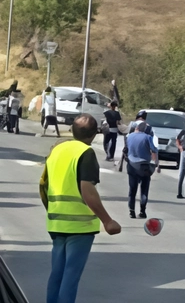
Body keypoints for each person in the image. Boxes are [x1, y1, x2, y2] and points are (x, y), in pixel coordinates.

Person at [39, 114, 121, 303]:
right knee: (71, 276)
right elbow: (87, 190)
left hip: (56, 223)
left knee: (57, 275)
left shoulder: (57, 150)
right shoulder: (85, 152)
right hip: (79, 226)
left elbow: (44, 184)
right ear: (94, 134)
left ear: (72, 131)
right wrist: (107, 221)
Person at [126, 121, 160, 218]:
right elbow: (154, 150)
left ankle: (131, 211)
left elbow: (126, 149)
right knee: (144, 190)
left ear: (136, 128)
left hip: (131, 165)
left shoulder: (129, 136)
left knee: (132, 189)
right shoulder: (148, 137)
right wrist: (156, 163)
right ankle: (142, 211)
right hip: (144, 166)